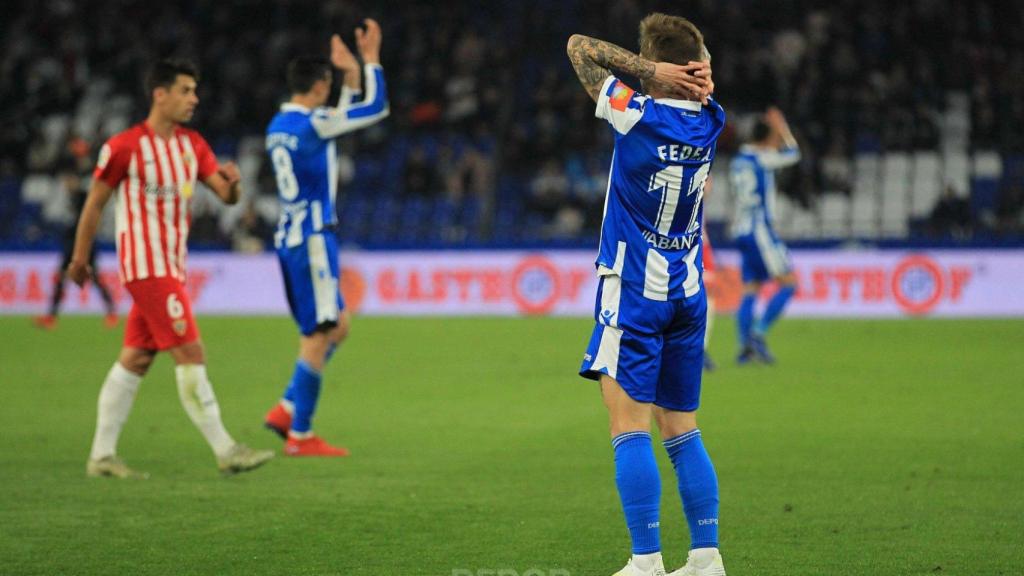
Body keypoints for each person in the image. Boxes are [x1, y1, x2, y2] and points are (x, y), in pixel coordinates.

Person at [568, 13, 727, 576]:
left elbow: (579, 46)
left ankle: (646, 561)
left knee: (627, 425)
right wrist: (680, 68)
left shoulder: (636, 115)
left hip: (635, 291)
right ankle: (706, 557)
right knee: (681, 426)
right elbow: (696, 73)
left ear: (660, 69)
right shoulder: (712, 118)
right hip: (687, 291)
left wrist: (647, 70)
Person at [68, 58, 275, 478]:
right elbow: (95, 202)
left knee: (136, 359)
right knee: (190, 350)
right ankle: (226, 449)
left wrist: (233, 185)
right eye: (185, 90)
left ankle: (101, 456)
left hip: (173, 266)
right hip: (146, 268)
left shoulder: (192, 146)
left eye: (195, 91)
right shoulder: (125, 146)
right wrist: (80, 257)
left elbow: (225, 195)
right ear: (159, 94)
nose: (193, 99)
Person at [262, 20, 389, 456]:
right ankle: (300, 434)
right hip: (312, 238)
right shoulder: (312, 125)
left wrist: (348, 82)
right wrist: (370, 61)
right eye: (328, 85)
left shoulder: (280, 125)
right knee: (320, 333)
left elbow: (335, 124)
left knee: (338, 325)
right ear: (319, 87)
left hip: (292, 235)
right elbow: (376, 110)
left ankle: (286, 407)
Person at [729, 107, 800, 364]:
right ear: (767, 138)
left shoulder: (739, 160)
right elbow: (793, 154)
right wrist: (783, 128)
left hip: (741, 230)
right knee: (789, 283)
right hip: (759, 229)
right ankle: (757, 335)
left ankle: (744, 346)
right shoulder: (763, 158)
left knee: (751, 288)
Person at [35, 159, 118, 330]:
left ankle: (111, 313)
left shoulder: (82, 197)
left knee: (94, 277)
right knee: (61, 278)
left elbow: (89, 217)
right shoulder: (74, 198)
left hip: (85, 243)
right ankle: (51, 316)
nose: (65, 183)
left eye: (68, 180)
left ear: (74, 179)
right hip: (72, 243)